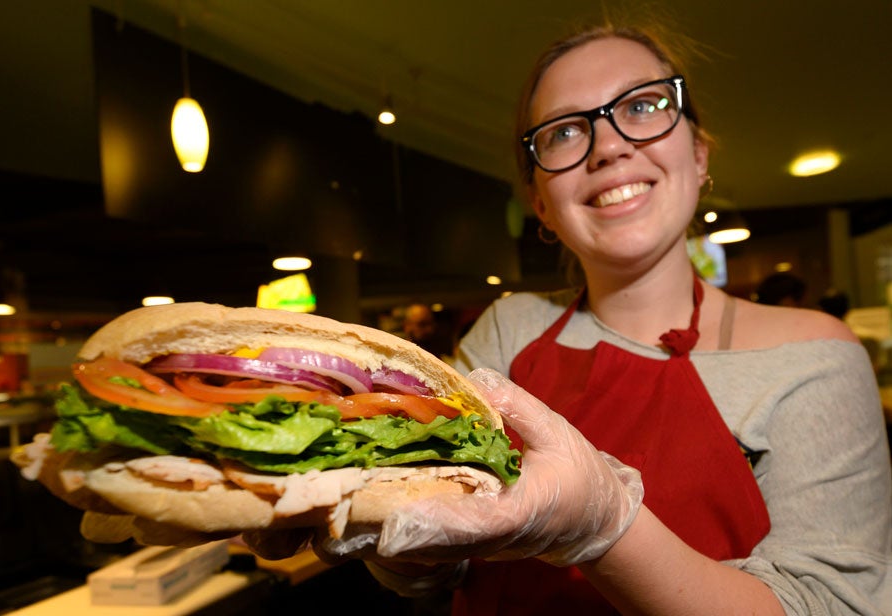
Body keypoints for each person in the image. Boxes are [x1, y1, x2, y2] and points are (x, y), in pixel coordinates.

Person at [321, 20, 892, 615]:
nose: (609, 146)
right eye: (566, 131)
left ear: (698, 155)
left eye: (643, 106)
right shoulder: (506, 332)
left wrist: (604, 527)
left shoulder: (814, 357)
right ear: (541, 200)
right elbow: (440, 572)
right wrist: (387, 534)